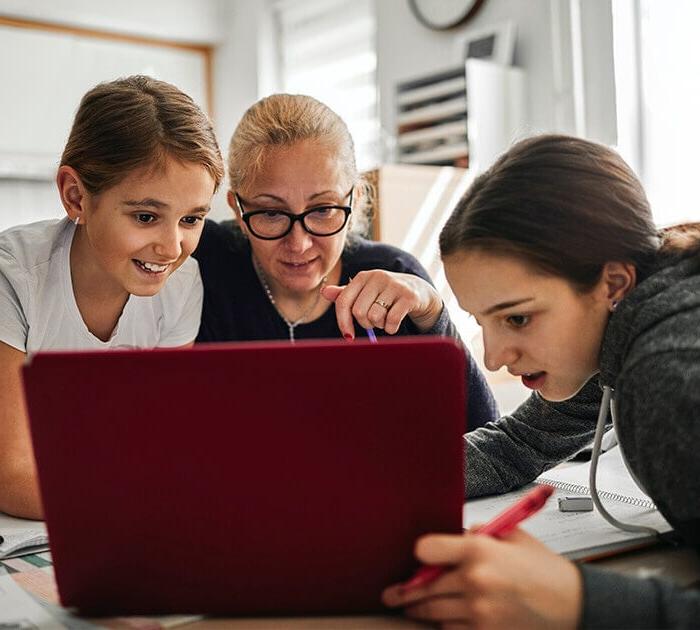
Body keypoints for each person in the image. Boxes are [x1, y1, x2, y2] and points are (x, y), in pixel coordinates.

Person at [382, 134, 700, 628]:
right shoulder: (629, 320)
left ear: (612, 284)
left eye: (517, 319)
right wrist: (375, 482)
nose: (492, 358)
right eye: (481, 321)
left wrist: (573, 600)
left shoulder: (667, 377)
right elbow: (517, 443)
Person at [193, 94, 498, 431]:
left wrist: (434, 318)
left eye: (323, 210)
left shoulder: (395, 280)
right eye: (270, 213)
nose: (299, 244)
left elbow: (484, 435)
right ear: (237, 208)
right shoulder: (203, 259)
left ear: (354, 198)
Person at [0, 75, 224, 519]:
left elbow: (161, 438)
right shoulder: (14, 277)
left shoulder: (181, 284)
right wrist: (138, 501)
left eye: (192, 219)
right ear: (76, 196)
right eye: (146, 216)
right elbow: (12, 476)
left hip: (98, 506)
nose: (172, 247)